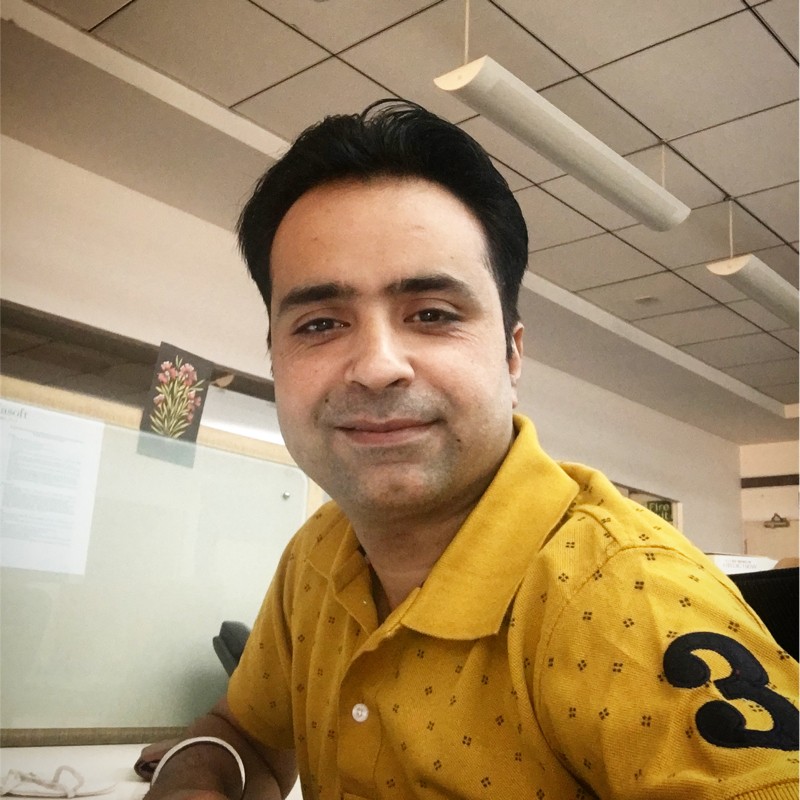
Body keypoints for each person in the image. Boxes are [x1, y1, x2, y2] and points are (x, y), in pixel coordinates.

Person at [143, 101, 799, 800]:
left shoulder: (625, 600)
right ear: (275, 358)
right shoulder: (319, 555)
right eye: (320, 324)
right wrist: (195, 771)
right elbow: (246, 733)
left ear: (512, 357)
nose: (377, 366)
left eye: (432, 314)